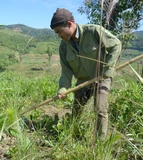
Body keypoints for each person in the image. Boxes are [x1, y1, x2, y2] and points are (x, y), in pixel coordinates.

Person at [50, 8, 122, 140]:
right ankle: (71, 134)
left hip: (102, 77)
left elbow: (116, 44)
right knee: (77, 109)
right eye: (56, 33)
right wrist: (63, 88)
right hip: (83, 81)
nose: (59, 35)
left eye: (59, 31)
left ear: (70, 23)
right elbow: (66, 71)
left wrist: (108, 70)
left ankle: (100, 142)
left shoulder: (93, 31)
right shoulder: (64, 46)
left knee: (100, 109)